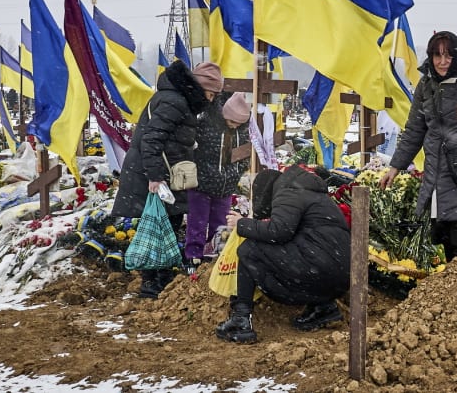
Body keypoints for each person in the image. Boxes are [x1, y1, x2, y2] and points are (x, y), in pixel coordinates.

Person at [379, 31, 457, 261]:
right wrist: (395, 167)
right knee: (445, 246)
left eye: (448, 56)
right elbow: (415, 129)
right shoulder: (427, 84)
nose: (442, 62)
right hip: (437, 178)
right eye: (437, 56)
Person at [111, 60, 223, 299]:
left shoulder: (178, 100)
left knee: (167, 224)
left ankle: (161, 277)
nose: (211, 99)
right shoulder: (175, 102)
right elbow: (151, 139)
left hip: (166, 173)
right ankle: (151, 285)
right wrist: (155, 177)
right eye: (210, 94)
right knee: (157, 227)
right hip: (154, 175)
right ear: (199, 87)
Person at [215, 165, 351, 343]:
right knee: (301, 249)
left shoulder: (288, 192)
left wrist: (242, 224)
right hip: (341, 273)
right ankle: (323, 307)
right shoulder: (307, 190)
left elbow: (278, 232)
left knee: (250, 249)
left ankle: (241, 319)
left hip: (323, 266)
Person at [184, 91, 252, 275]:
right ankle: (193, 255)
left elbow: (246, 155)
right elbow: (191, 145)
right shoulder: (207, 122)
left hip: (226, 185)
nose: (234, 126)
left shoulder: (243, 131)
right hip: (201, 183)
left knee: (221, 222)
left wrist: (236, 173)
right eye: (232, 122)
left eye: (238, 123)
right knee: (197, 221)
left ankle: (216, 256)